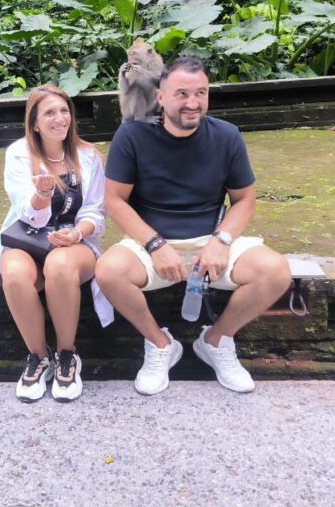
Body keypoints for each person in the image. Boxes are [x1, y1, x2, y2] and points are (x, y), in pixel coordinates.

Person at [95, 56, 291, 394]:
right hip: (151, 245)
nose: (193, 102)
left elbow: (244, 199)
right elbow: (114, 200)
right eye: (182, 94)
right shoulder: (132, 135)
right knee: (108, 271)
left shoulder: (226, 136)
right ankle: (160, 345)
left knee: (276, 271)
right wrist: (154, 245)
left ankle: (215, 341)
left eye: (200, 92)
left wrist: (222, 240)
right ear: (161, 96)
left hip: (211, 243)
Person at [0, 85, 112, 402]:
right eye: (50, 112)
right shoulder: (19, 154)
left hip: (74, 243)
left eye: (64, 111)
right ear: (34, 122)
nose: (59, 118)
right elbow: (28, 214)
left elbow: (95, 212)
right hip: (30, 238)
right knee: (14, 271)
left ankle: (67, 355)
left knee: (59, 264)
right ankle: (39, 356)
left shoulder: (88, 156)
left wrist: (77, 234)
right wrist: (42, 195)